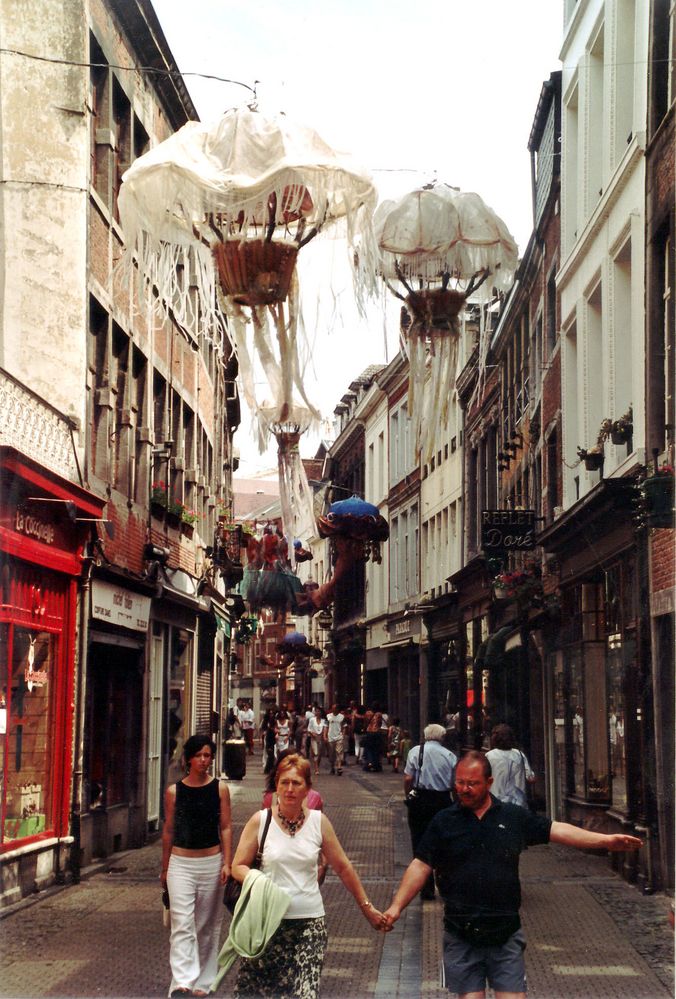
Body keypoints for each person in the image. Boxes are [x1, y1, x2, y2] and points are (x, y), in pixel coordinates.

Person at [382, 750, 643, 999]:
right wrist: (396, 908)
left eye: (472, 783)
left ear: (489, 782)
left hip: (505, 932)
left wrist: (605, 841)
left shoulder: (512, 816)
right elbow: (420, 865)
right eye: (459, 782)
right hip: (460, 932)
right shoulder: (443, 821)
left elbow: (557, 830)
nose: (464, 789)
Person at [230, 753, 385, 998]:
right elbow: (238, 866)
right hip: (266, 925)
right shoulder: (260, 821)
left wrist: (367, 908)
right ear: (276, 787)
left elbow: (344, 867)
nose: (289, 789)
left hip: (309, 924)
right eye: (284, 782)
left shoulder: (318, 823)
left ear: (308, 789)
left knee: (305, 993)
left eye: (296, 783)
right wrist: (258, 881)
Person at [161, 735, 232, 998]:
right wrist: (165, 868)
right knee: (182, 923)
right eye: (200, 755)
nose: (204, 760)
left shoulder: (219, 789)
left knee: (207, 924)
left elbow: (225, 826)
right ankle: (182, 981)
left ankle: (204, 979)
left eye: (208, 756)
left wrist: (228, 862)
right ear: (188, 759)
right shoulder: (174, 791)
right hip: (181, 863)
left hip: (211, 862)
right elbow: (169, 830)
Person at [404, 723, 457, 900]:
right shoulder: (450, 755)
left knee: (419, 843)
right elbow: (454, 783)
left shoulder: (415, 751)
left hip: (420, 800)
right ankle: (443, 885)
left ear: (426, 736)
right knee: (444, 843)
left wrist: (408, 794)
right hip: (442, 800)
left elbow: (408, 778)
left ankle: (425, 889)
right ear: (442, 737)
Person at [485, 724, 535, 807]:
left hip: (495, 803)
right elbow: (531, 778)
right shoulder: (519, 754)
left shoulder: (489, 756)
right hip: (518, 804)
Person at [325, 702, 345, 775]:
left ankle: (339, 767)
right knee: (331, 754)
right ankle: (332, 766)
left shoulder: (342, 717)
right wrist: (325, 735)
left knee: (339, 752)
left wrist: (343, 735)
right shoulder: (328, 716)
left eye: (335, 708)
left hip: (339, 737)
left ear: (337, 709)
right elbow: (326, 726)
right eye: (332, 708)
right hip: (330, 737)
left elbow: (344, 726)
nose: (333, 710)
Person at [308, 705, 326, 776]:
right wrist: (312, 734)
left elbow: (325, 729)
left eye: (319, 711)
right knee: (316, 753)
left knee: (320, 754)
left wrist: (323, 736)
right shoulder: (312, 720)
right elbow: (309, 729)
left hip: (321, 738)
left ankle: (317, 765)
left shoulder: (323, 721)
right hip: (314, 738)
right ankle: (316, 769)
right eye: (316, 711)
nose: (317, 712)